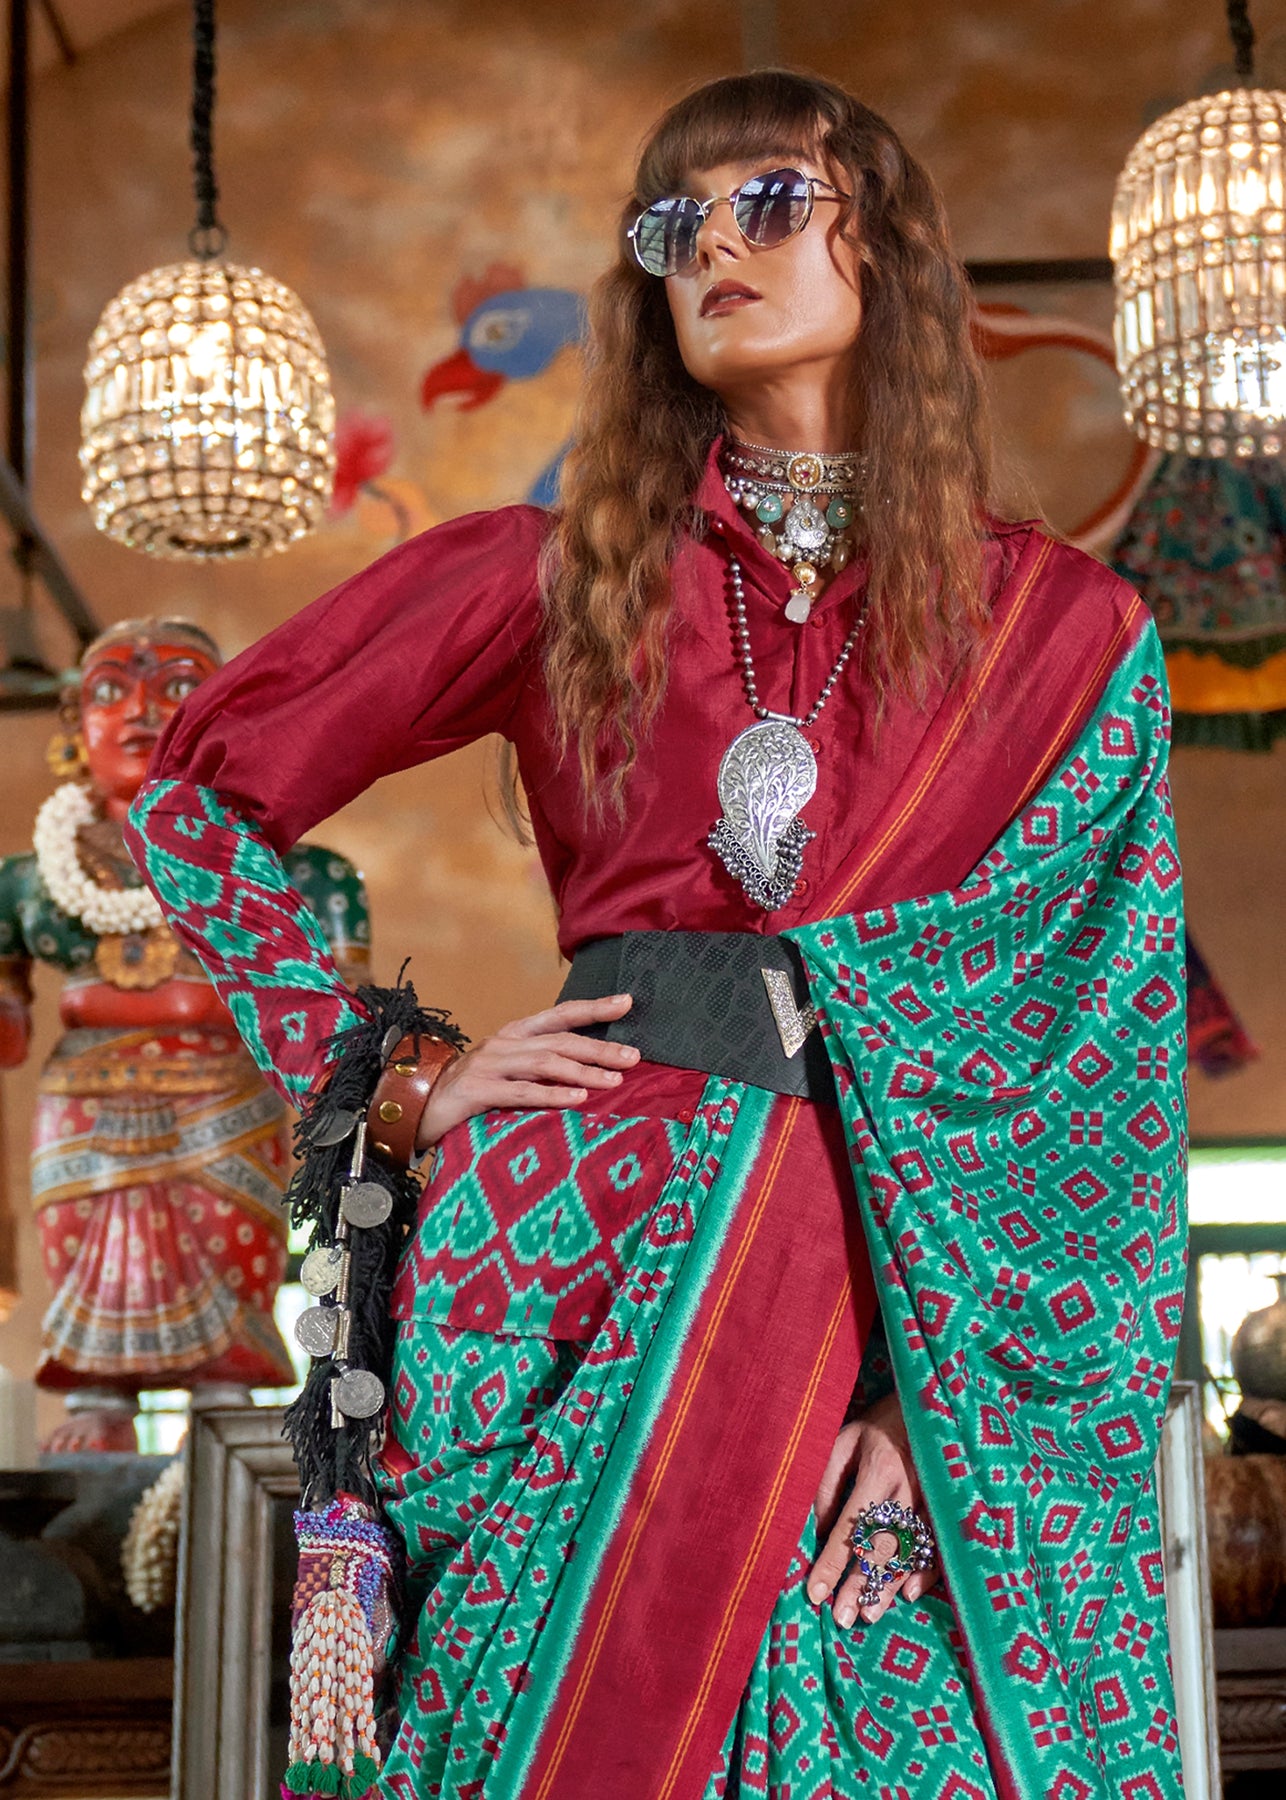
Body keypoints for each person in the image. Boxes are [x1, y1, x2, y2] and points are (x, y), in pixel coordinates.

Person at [125, 71, 1188, 1800]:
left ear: (883, 247)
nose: (709, 249)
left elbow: (1098, 1065)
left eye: (766, 204)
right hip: (564, 1253)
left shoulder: (1061, 637)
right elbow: (187, 800)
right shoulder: (554, 576)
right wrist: (396, 1078)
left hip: (898, 1291)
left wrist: (934, 1411)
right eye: (670, 224)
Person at [0, 618, 369, 1451]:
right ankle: (98, 1405)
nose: (139, 710)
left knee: (225, 1248)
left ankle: (222, 1408)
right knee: (86, 1255)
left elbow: (348, 1027)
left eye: (176, 687)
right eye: (109, 690)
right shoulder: (28, 881)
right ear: (74, 723)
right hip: (83, 1100)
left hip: (224, 1090)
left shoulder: (290, 867)